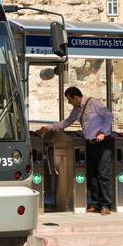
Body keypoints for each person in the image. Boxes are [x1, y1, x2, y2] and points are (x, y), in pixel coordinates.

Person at [41, 86, 114, 214]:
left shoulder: (93, 102)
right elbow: (67, 122)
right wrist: (50, 127)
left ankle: (106, 205)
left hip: (103, 142)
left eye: (69, 100)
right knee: (91, 174)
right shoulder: (77, 109)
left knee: (103, 174)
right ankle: (95, 203)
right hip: (90, 143)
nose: (69, 103)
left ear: (76, 97)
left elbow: (108, 116)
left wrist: (103, 132)